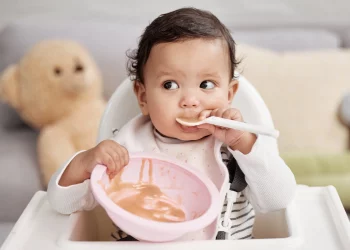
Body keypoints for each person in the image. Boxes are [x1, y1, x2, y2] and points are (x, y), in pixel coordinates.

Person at [48, 7, 296, 241]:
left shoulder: (238, 145)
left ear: (229, 93)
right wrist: (84, 163)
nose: (190, 101)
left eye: (206, 85)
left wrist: (243, 143)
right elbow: (62, 203)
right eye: (170, 85)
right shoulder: (127, 146)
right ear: (143, 97)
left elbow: (278, 200)